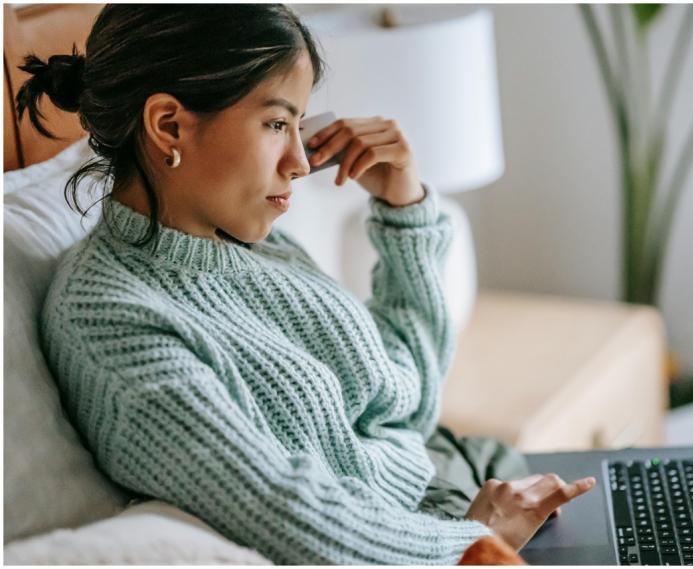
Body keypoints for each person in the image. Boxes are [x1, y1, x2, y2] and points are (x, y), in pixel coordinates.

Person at [18, 4, 595, 565]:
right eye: (275, 123)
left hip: (454, 479)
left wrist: (404, 209)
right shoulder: (107, 317)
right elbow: (287, 515)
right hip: (433, 540)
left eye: (299, 123)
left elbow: (406, 403)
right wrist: (475, 540)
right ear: (169, 124)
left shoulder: (252, 244)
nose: (298, 160)